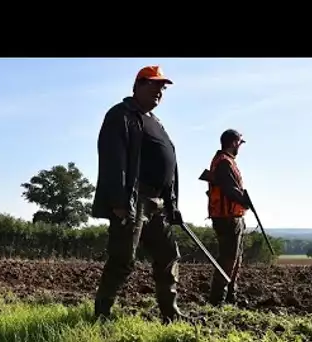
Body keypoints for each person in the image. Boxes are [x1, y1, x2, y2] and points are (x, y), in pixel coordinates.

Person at [91, 65, 194, 324]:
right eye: (154, 85)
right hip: (134, 200)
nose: (159, 91)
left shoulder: (155, 121)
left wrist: (171, 204)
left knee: (168, 255)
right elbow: (113, 158)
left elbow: (167, 163)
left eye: (162, 87)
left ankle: (171, 314)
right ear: (137, 85)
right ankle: (102, 315)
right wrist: (119, 201)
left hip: (158, 203)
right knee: (123, 258)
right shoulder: (121, 115)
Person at [205, 129, 251, 306]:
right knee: (228, 258)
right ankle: (218, 300)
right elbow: (229, 189)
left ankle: (230, 296)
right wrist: (244, 201)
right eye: (239, 142)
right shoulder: (224, 162)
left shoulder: (224, 161)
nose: (240, 146)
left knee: (234, 257)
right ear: (233, 143)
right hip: (227, 216)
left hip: (229, 215)